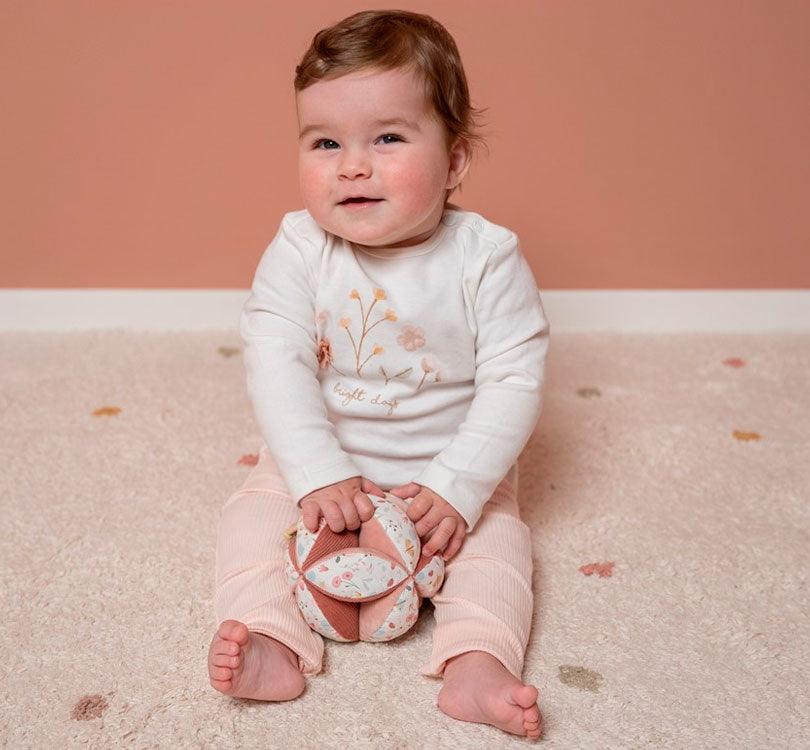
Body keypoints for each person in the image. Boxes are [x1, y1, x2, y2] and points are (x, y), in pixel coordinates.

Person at [208, 9, 549, 741]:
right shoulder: (301, 247)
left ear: (455, 161)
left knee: (499, 547)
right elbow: (276, 358)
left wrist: (459, 486)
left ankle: (476, 662)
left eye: (387, 138)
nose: (351, 165)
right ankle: (269, 636)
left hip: (446, 472)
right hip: (325, 463)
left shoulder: (486, 257)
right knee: (249, 518)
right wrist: (314, 471)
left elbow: (515, 379)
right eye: (325, 142)